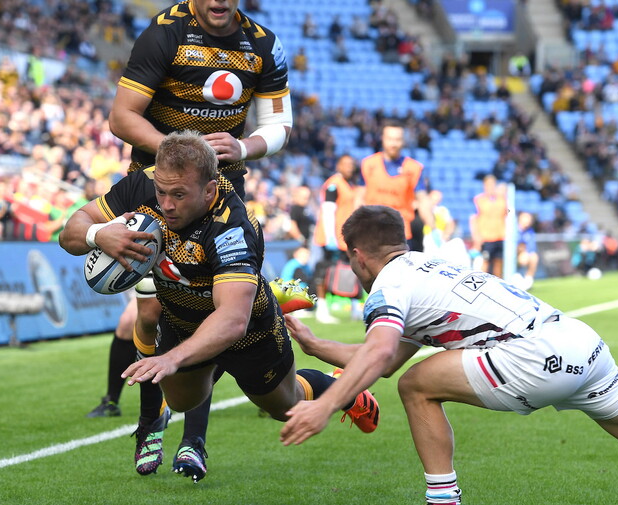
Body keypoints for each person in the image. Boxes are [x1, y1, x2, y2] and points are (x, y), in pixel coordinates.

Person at [281, 205, 618, 505]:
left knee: (417, 385)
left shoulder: (388, 287)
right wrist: (316, 345)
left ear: (358, 256)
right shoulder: (428, 267)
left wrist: (326, 405)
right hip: (581, 343)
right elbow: (386, 358)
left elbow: (379, 357)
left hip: (535, 355)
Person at [60, 131, 379, 481]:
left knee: (286, 407)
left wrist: (172, 358)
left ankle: (337, 388)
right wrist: (98, 234)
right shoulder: (143, 184)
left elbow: (232, 320)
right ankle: (180, 399)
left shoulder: (232, 226)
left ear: (209, 191)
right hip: (183, 319)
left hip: (249, 329)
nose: (166, 204)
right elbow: (70, 230)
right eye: (162, 192)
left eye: (179, 195)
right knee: (180, 401)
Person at [99, 0, 295, 481]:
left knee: (205, 311)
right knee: (148, 313)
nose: (218, 2)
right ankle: (150, 421)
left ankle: (193, 441)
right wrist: (178, 157)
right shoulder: (164, 33)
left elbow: (279, 125)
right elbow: (122, 118)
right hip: (155, 192)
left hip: (217, 195)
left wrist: (244, 146)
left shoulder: (264, 45)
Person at [359, 120, 430, 246]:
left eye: (397, 139)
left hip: (400, 233)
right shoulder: (368, 164)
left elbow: (423, 200)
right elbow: (359, 197)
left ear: (403, 141)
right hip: (371, 230)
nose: (393, 144)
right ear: (382, 138)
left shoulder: (413, 168)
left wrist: (433, 230)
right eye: (390, 139)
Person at [313, 153, 361, 324]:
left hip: (345, 236)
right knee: (325, 269)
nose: (349, 167)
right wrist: (330, 236)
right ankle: (322, 308)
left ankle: (355, 308)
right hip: (331, 235)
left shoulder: (350, 184)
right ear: (338, 166)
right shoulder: (333, 184)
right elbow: (328, 210)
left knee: (351, 268)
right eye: (345, 164)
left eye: (351, 164)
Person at [472, 174, 507, 277]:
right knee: (485, 262)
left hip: (500, 236)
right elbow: (473, 219)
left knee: (499, 263)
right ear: (484, 185)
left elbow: (508, 212)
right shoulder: (479, 200)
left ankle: (498, 284)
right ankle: (482, 282)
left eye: (493, 184)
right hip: (486, 237)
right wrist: (476, 236)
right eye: (489, 184)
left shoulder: (502, 199)